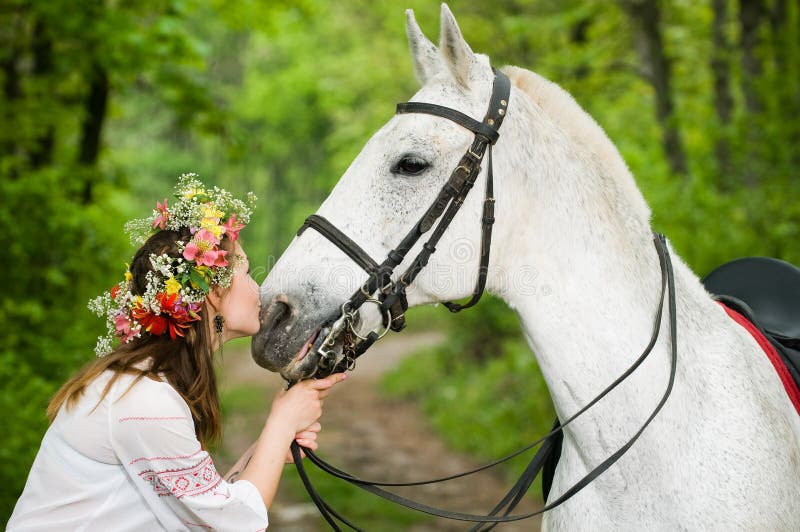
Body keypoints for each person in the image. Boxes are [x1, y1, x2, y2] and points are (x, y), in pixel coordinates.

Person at [8, 174, 345, 531]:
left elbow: (207, 511)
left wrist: (269, 446)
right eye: (247, 273)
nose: (256, 288)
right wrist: (281, 423)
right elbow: (233, 525)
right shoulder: (144, 403)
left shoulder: (141, 382)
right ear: (214, 292)